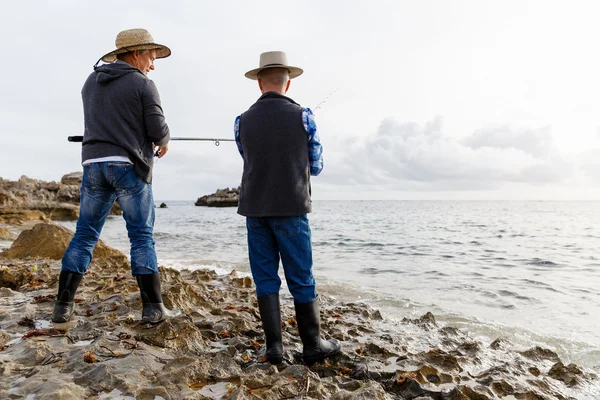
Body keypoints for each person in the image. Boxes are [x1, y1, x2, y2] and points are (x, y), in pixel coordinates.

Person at [52, 28, 179, 324]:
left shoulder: (91, 82)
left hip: (93, 165)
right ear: (136, 53)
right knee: (141, 236)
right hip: (128, 166)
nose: (153, 63)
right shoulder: (143, 84)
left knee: (84, 235)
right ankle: (152, 307)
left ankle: (62, 306)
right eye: (151, 56)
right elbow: (158, 131)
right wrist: (165, 139)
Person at [235, 51, 341, 365]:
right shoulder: (304, 116)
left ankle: (275, 349)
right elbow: (317, 165)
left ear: (258, 83)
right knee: (301, 278)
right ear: (288, 82)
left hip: (255, 208)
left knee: (265, 278)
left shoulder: (242, 120)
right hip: (292, 206)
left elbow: (248, 157)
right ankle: (312, 347)